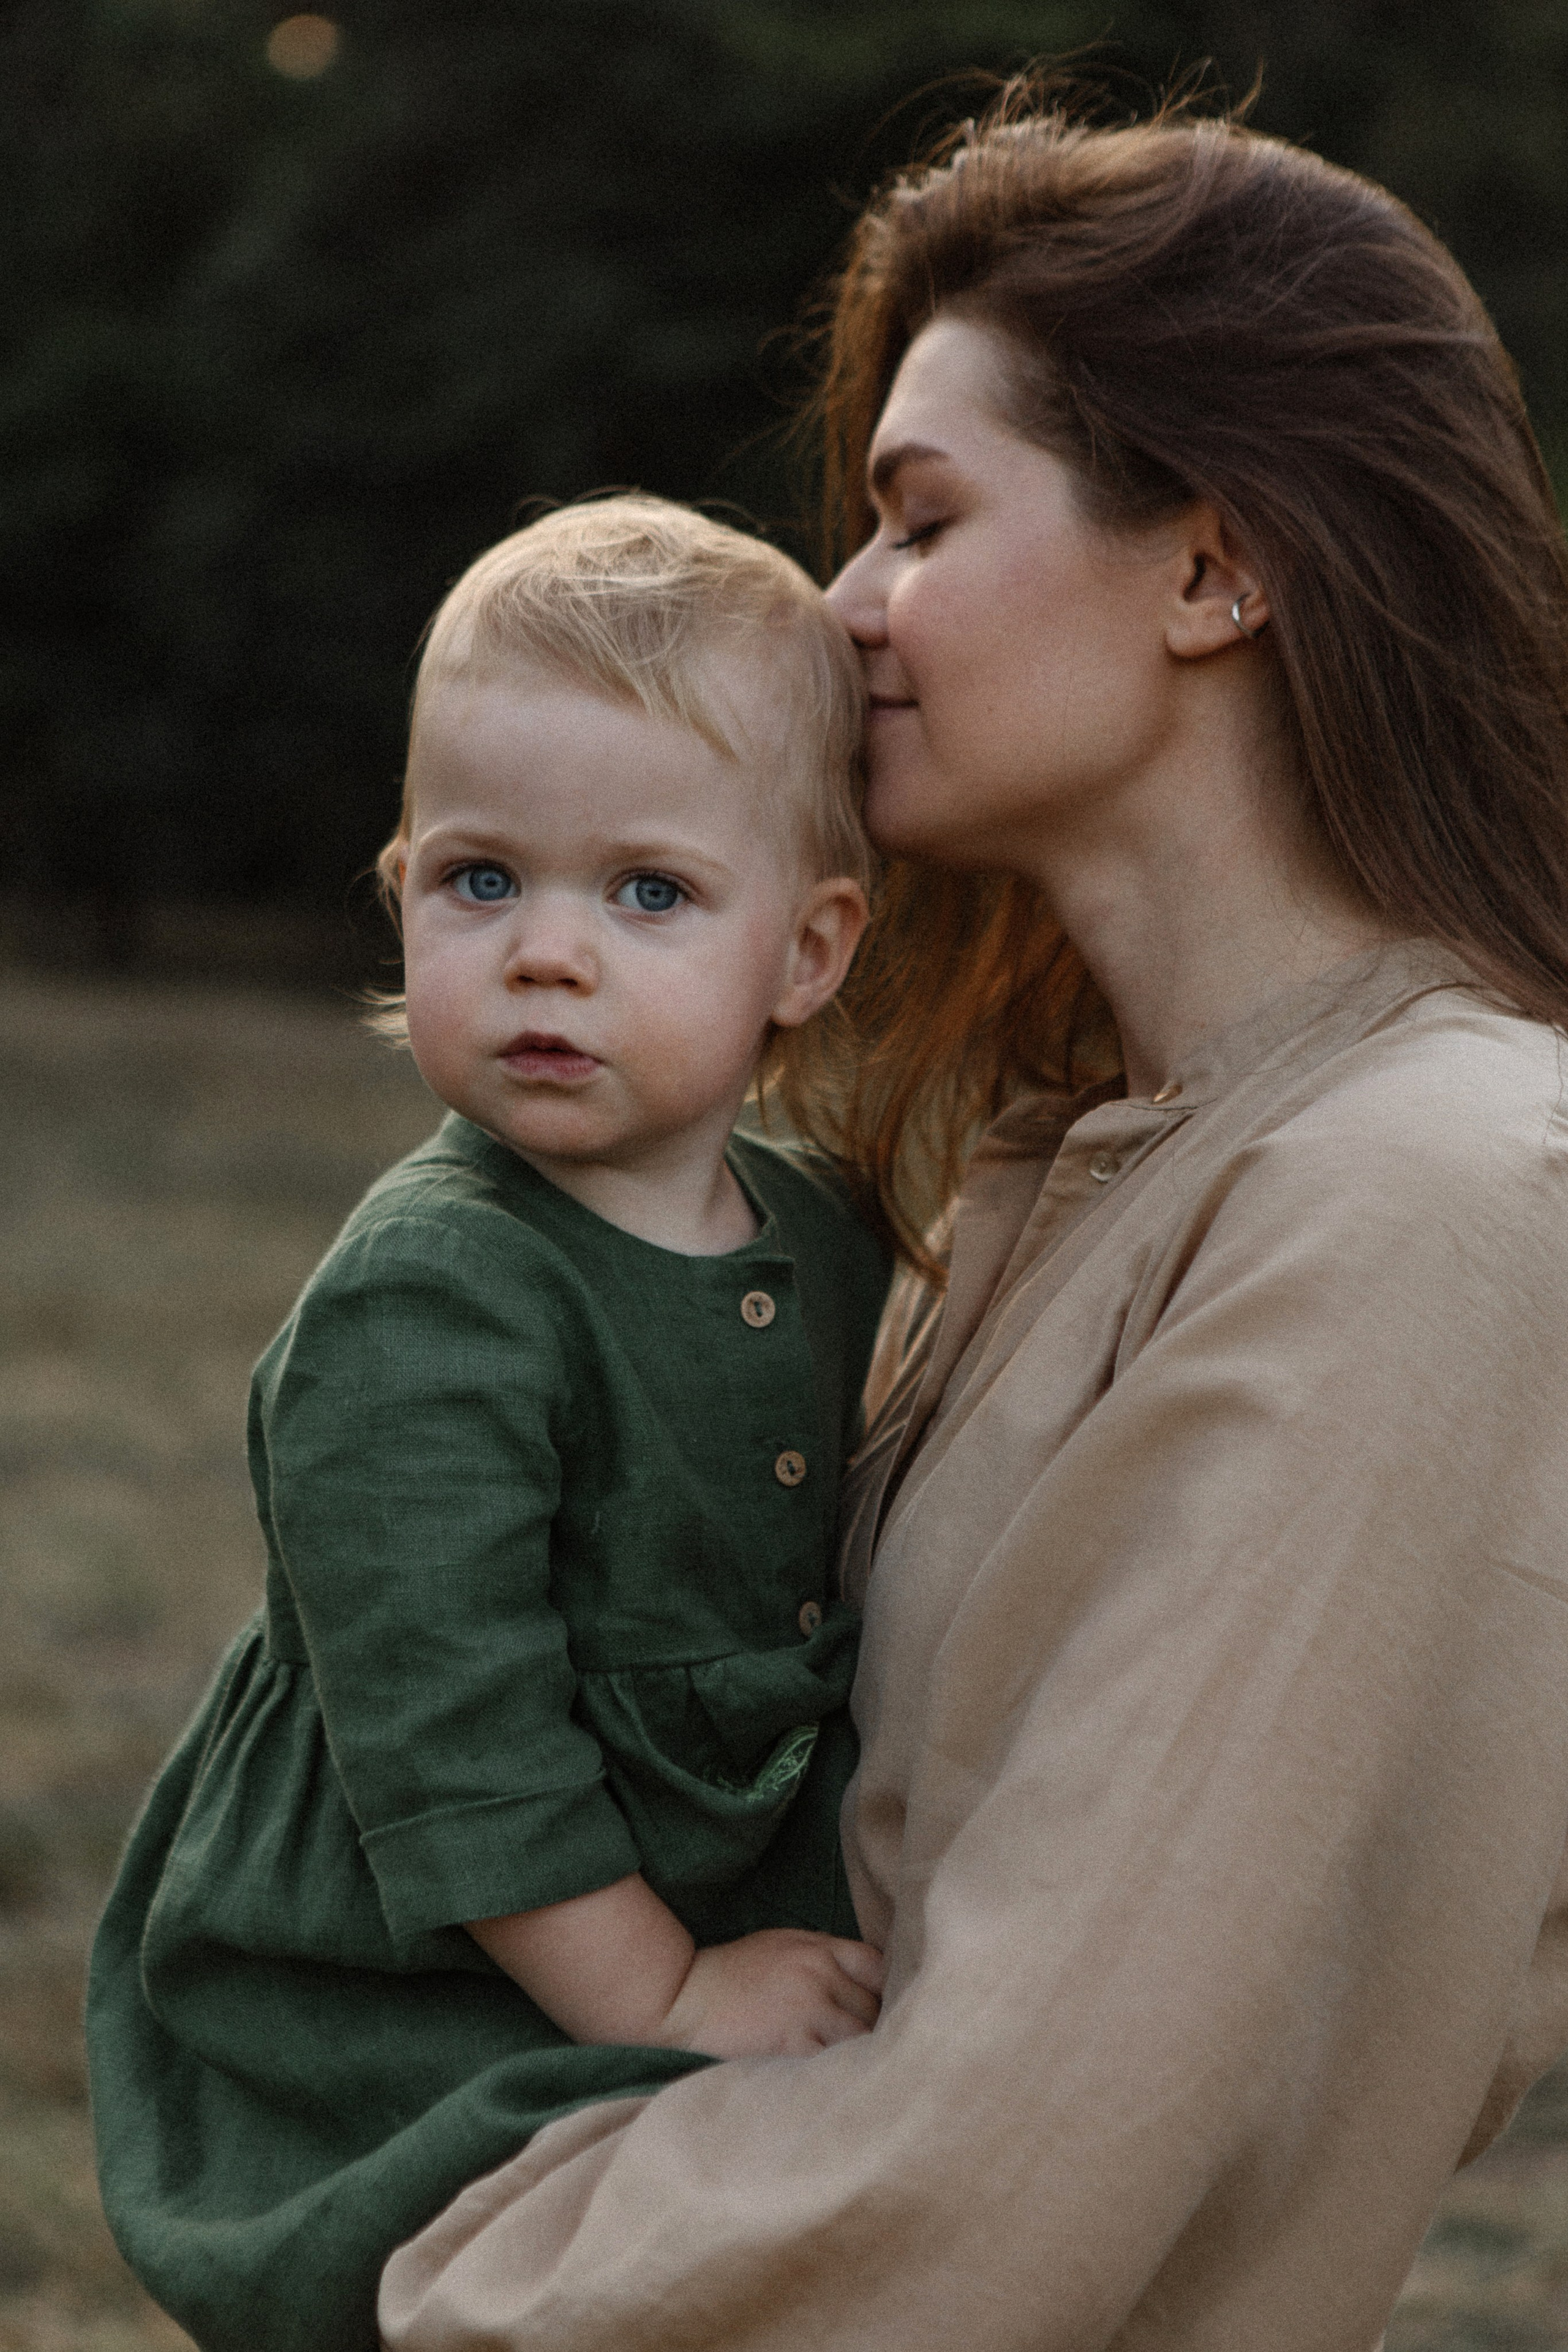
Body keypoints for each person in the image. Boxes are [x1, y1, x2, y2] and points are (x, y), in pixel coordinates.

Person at [377, 85, 1568, 2352]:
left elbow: (1003, 2167)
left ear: (1217, 570)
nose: (841, 606)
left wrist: (423, 2275)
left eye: (920, 518)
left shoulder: (1428, 1190)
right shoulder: (1094, 1156)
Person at [85, 496, 892, 2352]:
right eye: (479, 879)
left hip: (668, 1916)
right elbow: (461, 1750)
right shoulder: (427, 1306)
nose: (547, 953)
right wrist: (675, 1996)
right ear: (402, 888)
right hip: (405, 1988)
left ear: (810, 951)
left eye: (649, 893)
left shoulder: (830, 1238)